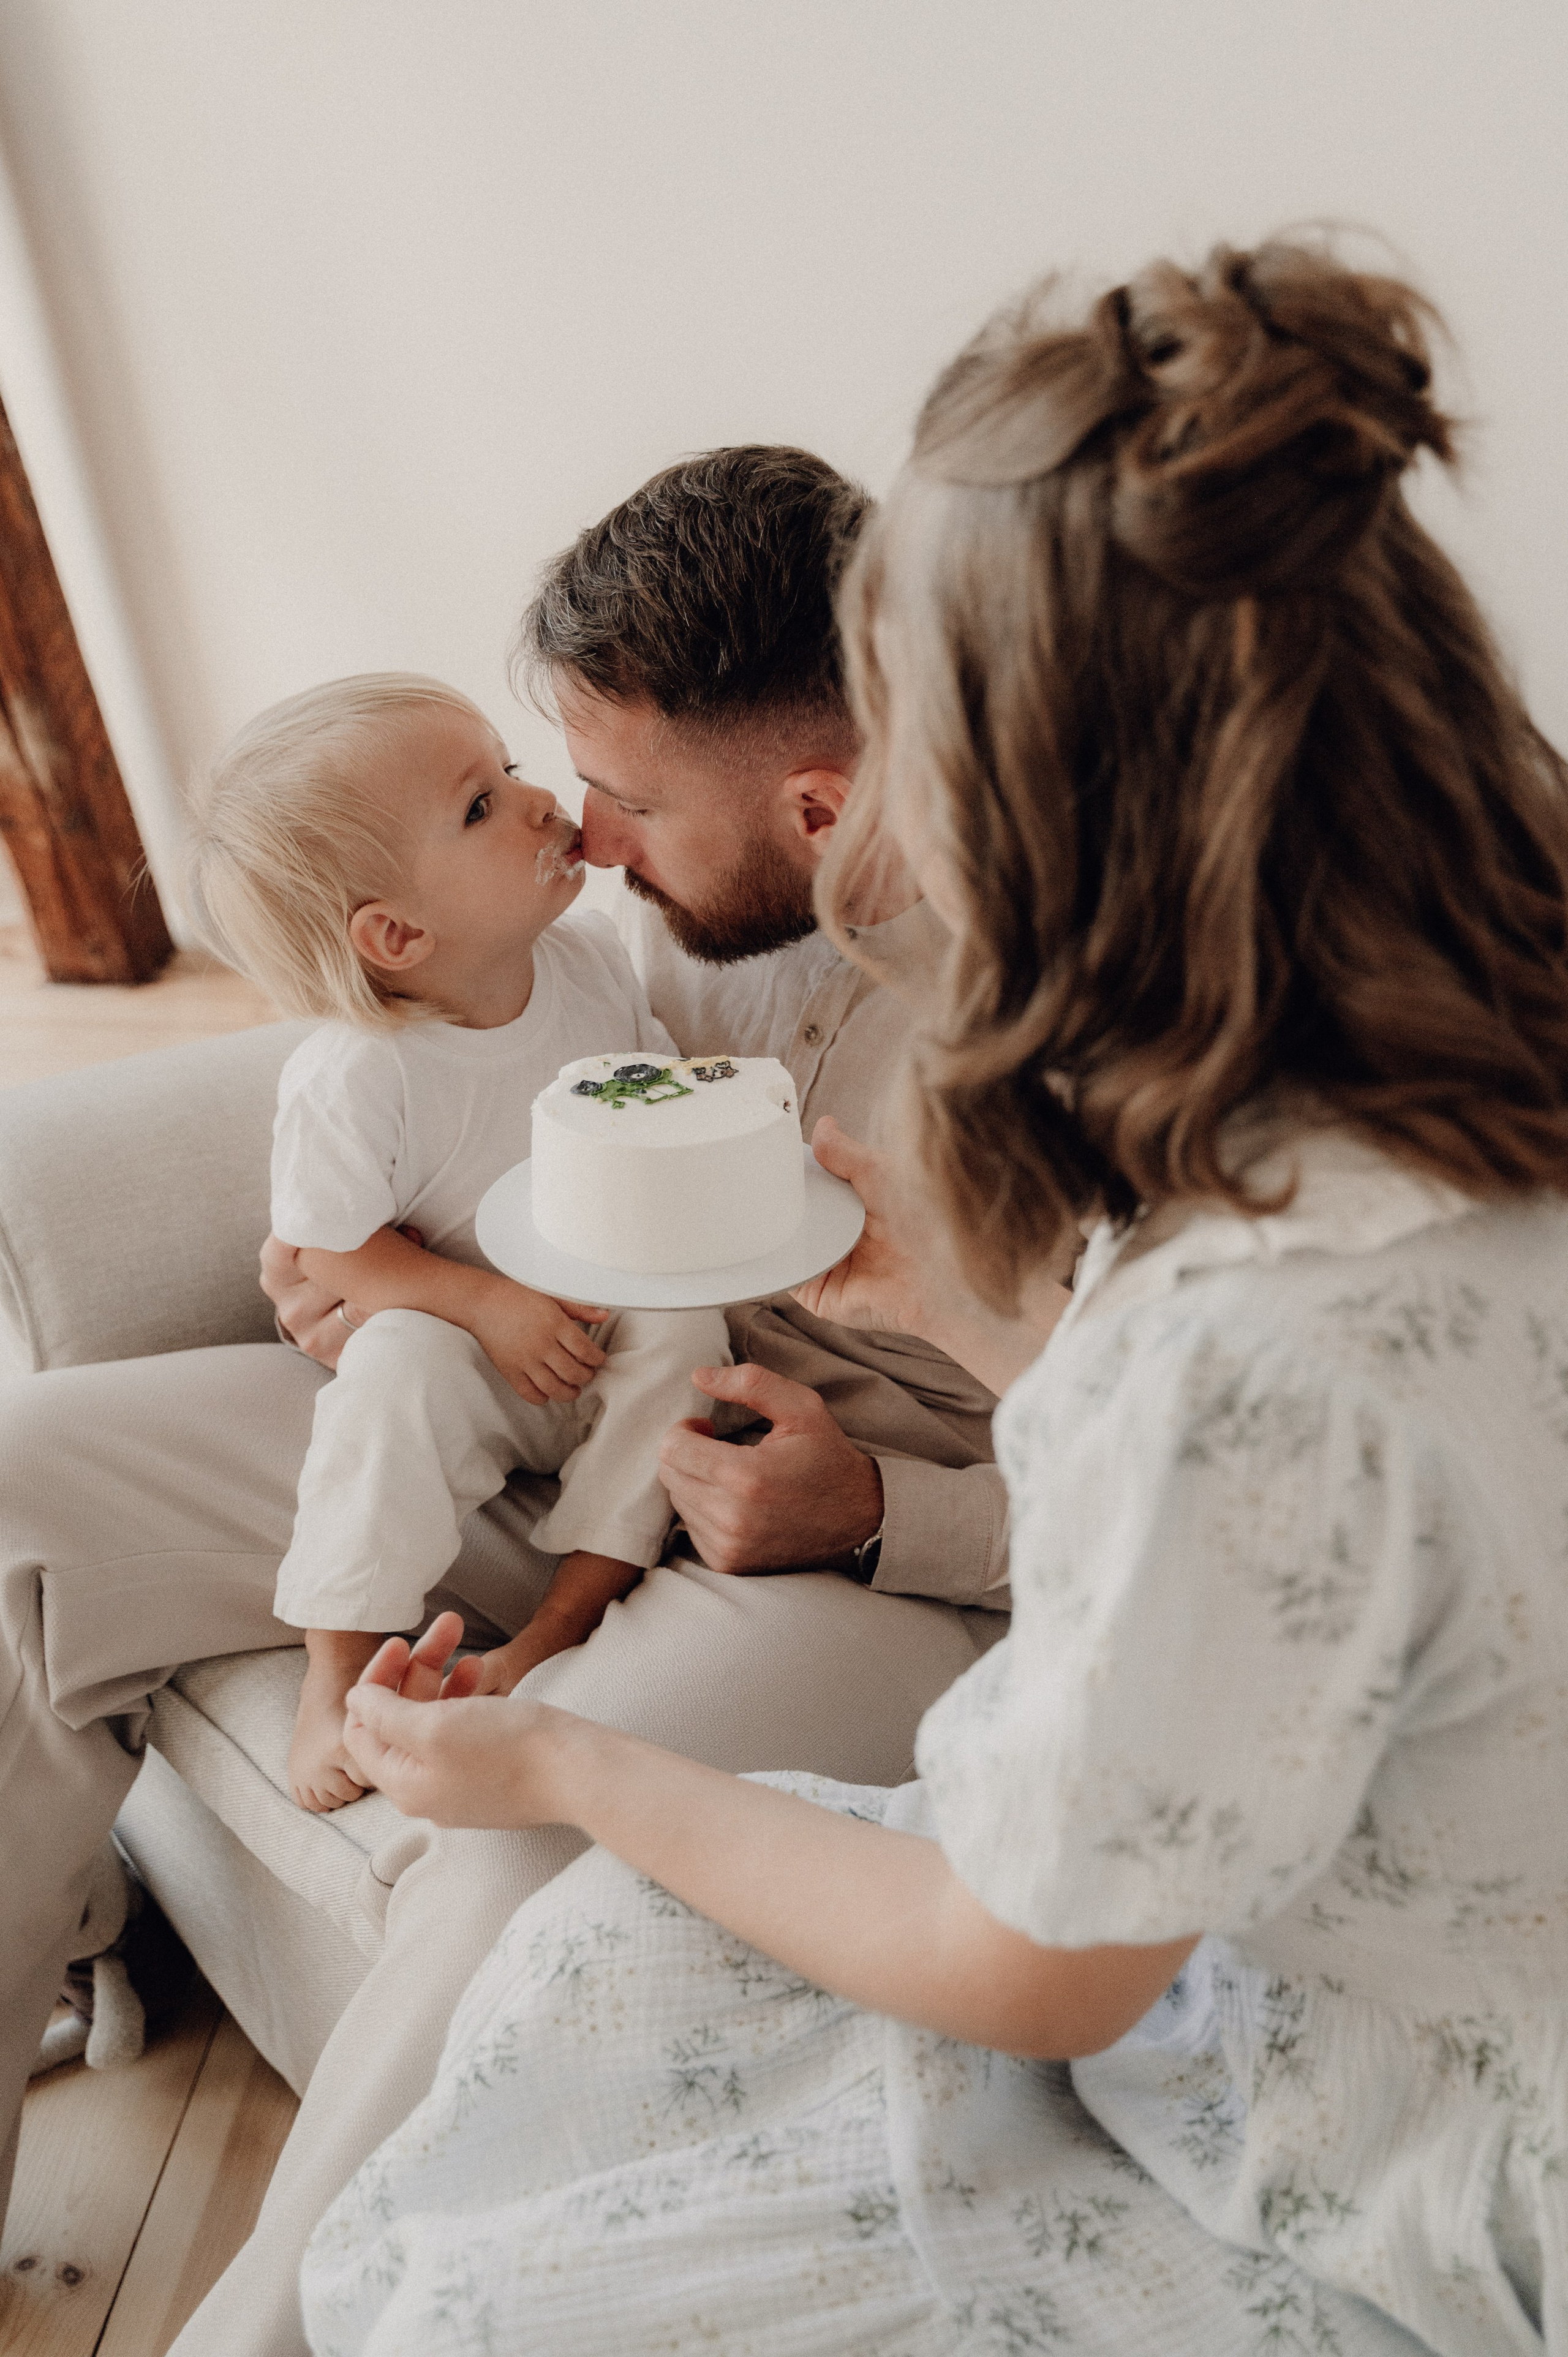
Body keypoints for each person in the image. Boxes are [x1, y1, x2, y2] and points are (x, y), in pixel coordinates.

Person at [300, 242, 1566, 2355]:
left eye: (920, 736)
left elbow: (1044, 1958)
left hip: (1388, 2131)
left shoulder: (1240, 1335)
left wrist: (565, 1767)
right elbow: (1349, 1517)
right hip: (1322, 1904)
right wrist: (987, 1330)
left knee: (489, 2251)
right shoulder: (1431, 1083)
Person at [0, 448, 1014, 2356]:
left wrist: (877, 1508)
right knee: (18, 1480)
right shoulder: (657, 916)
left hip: (855, 1571)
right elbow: (442, 1024)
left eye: (623, 803)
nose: (589, 840)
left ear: (820, 802)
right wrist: (370, 1270)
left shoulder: (1090, 1024)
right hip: (558, 1398)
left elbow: (1236, 1485)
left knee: (517, 1845)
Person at [187, 673, 729, 1811]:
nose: (541, 803)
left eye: (512, 771)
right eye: (481, 806)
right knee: (395, 1364)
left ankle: (561, 1620)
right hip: (474, 1352)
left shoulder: (588, 961)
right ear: (396, 933)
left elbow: (651, 1099)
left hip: (597, 1328)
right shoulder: (355, 1073)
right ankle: (333, 1677)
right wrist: (483, 1307)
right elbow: (329, 1254)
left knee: (689, 1326)